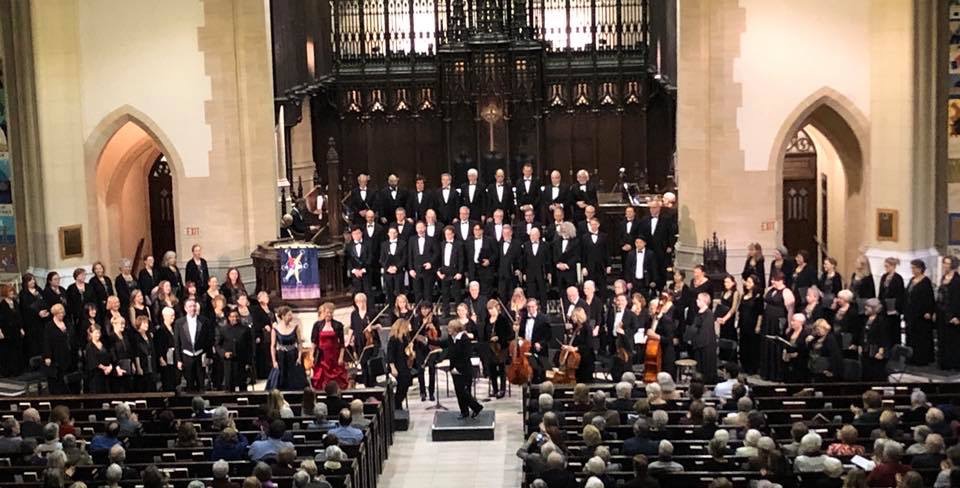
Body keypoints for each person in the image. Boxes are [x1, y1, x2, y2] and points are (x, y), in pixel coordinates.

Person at [426, 319, 484, 419]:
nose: (448, 329)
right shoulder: (451, 338)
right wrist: (429, 341)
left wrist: (458, 368)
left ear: (456, 329)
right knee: (458, 392)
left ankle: (477, 407)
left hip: (464, 370)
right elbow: (442, 343)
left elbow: (466, 355)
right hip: (454, 370)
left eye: (450, 328)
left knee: (464, 392)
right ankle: (464, 412)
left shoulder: (464, 339)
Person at [760, 271, 794, 381]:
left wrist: (789, 324)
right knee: (767, 344)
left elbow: (790, 310)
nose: (772, 281)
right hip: (767, 321)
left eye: (774, 280)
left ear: (781, 280)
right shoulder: (770, 290)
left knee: (776, 346)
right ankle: (766, 372)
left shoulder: (787, 292)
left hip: (778, 322)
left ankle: (776, 374)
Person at [174, 298, 211, 391]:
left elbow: (208, 340)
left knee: (201, 384)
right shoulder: (179, 323)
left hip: (200, 355)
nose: (192, 308)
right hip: (187, 356)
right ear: (185, 308)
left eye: (194, 306)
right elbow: (177, 342)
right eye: (190, 306)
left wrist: (208, 356)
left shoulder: (204, 321)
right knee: (189, 384)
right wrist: (179, 359)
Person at [904, 259, 935, 366]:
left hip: (922, 315)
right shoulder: (912, 280)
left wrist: (929, 311)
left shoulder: (926, 282)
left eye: (914, 268)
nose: (912, 270)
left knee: (921, 337)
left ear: (920, 269)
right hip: (911, 313)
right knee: (911, 336)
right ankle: (911, 357)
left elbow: (929, 298)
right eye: (911, 268)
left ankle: (921, 359)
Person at [310, 303, 348, 390]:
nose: (329, 315)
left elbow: (342, 344)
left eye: (331, 313)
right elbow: (314, 342)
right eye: (327, 312)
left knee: (337, 375)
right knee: (321, 375)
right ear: (323, 312)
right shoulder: (317, 325)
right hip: (322, 355)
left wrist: (341, 357)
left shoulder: (338, 325)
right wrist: (312, 354)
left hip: (334, 355)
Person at [271, 305, 306, 391]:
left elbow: (299, 343)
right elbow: (273, 346)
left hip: (293, 355)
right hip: (281, 356)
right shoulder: (276, 328)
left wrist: (299, 357)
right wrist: (274, 361)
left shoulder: (295, 327)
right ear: (283, 316)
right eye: (289, 315)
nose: (291, 317)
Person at [43, 304, 75, 394]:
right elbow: (47, 342)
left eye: (62, 313)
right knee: (58, 379)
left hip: (68, 354)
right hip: (56, 355)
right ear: (55, 314)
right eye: (59, 313)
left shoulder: (67, 323)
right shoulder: (49, 326)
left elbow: (72, 336)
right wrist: (47, 356)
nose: (62, 315)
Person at [217, 308, 252, 391]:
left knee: (242, 384)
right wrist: (224, 353)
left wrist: (249, 361)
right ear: (228, 318)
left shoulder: (245, 329)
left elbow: (249, 346)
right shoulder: (223, 330)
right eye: (232, 317)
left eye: (236, 316)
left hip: (241, 360)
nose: (235, 318)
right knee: (229, 384)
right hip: (228, 361)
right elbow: (218, 345)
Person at [687, 292, 717, 383]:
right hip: (698, 344)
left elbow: (705, 331)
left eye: (699, 299)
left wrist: (695, 340)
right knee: (699, 367)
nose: (697, 301)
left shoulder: (709, 314)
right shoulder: (699, 313)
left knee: (706, 367)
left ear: (704, 301)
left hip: (705, 345)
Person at [486, 299, 513, 398]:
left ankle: (502, 390)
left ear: (497, 308)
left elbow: (510, 335)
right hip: (491, 348)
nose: (490, 311)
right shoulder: (487, 320)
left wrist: (499, 338)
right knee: (492, 370)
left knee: (502, 369)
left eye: (492, 309)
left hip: (501, 348)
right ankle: (495, 389)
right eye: (489, 309)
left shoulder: (502, 319)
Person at [861, 298, 891, 381]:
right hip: (866, 349)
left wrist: (881, 351)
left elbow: (884, 337)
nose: (865, 308)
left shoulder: (881, 321)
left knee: (876, 373)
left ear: (874, 308)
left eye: (868, 306)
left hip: (876, 350)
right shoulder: (866, 319)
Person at [387, 319, 414, 410]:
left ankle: (398, 403)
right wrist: (393, 368)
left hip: (404, 365)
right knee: (401, 386)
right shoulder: (393, 339)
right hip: (397, 366)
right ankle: (396, 405)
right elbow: (390, 355)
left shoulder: (405, 339)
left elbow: (408, 355)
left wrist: (411, 350)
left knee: (406, 384)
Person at [408, 221, 438, 303]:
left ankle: (429, 314)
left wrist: (431, 263)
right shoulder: (412, 239)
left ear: (425, 228)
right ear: (416, 229)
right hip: (416, 270)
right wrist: (410, 269)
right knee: (417, 293)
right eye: (418, 228)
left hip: (428, 270)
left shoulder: (431, 239)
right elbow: (410, 255)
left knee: (428, 293)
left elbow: (436, 253)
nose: (420, 229)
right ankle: (418, 313)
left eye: (422, 227)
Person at [0, 284, 25, 378]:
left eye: (12, 291)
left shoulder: (15, 302)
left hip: (16, 330)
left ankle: (18, 370)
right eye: (10, 291)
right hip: (6, 331)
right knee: (8, 352)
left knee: (17, 351)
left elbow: (19, 317)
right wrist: (0, 331)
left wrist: (21, 328)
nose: (12, 293)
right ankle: (8, 371)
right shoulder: (1, 304)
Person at [251, 291, 274, 379]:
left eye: (267, 296)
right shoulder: (256, 309)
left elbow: (273, 319)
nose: (266, 298)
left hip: (272, 333)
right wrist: (264, 326)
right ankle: (263, 374)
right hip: (262, 334)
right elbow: (256, 322)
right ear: (259, 299)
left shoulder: (270, 308)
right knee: (263, 354)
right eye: (264, 297)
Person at [782, 313, 810, 382]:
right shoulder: (790, 332)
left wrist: (795, 354)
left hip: (799, 363)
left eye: (794, 321)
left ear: (800, 322)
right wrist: (784, 351)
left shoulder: (805, 334)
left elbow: (805, 350)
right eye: (791, 320)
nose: (791, 323)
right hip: (788, 361)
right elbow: (786, 343)